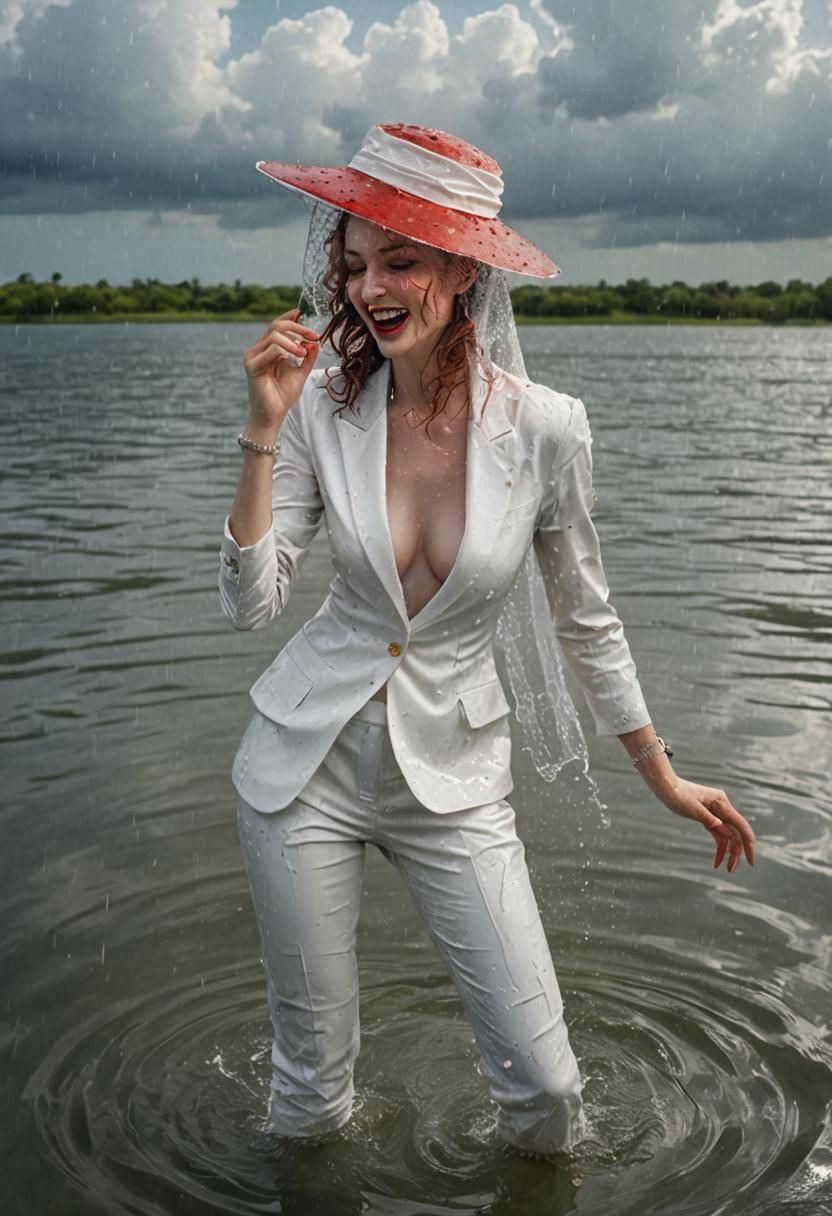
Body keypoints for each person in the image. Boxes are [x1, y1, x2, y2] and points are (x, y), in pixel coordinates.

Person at [219, 123, 755, 1158]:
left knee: (547, 1093)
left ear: (462, 270)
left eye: (402, 260)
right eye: (357, 262)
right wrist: (261, 429)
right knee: (311, 1099)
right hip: (298, 771)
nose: (371, 287)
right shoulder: (323, 411)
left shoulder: (548, 427)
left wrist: (664, 778)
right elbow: (252, 604)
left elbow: (585, 615)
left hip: (456, 780)